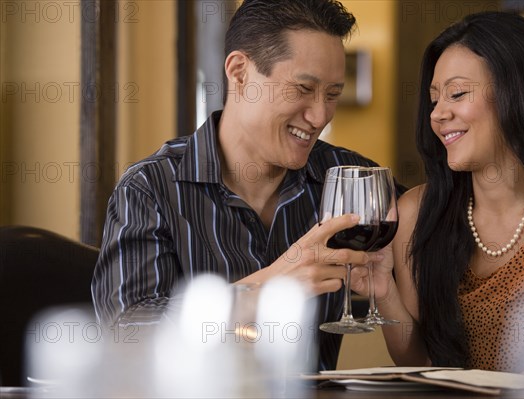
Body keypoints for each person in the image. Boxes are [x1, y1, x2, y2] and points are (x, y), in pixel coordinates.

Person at [92, 0, 398, 371]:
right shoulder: (150, 189)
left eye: (332, 94)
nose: (320, 116)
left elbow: (438, 217)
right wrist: (272, 284)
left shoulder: (347, 177)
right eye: (303, 88)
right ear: (239, 72)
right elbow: (128, 336)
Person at [352, 10, 524, 382]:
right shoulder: (418, 211)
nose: (437, 114)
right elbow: (419, 364)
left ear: (517, 94)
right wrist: (384, 291)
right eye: (434, 99)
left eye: (457, 93)